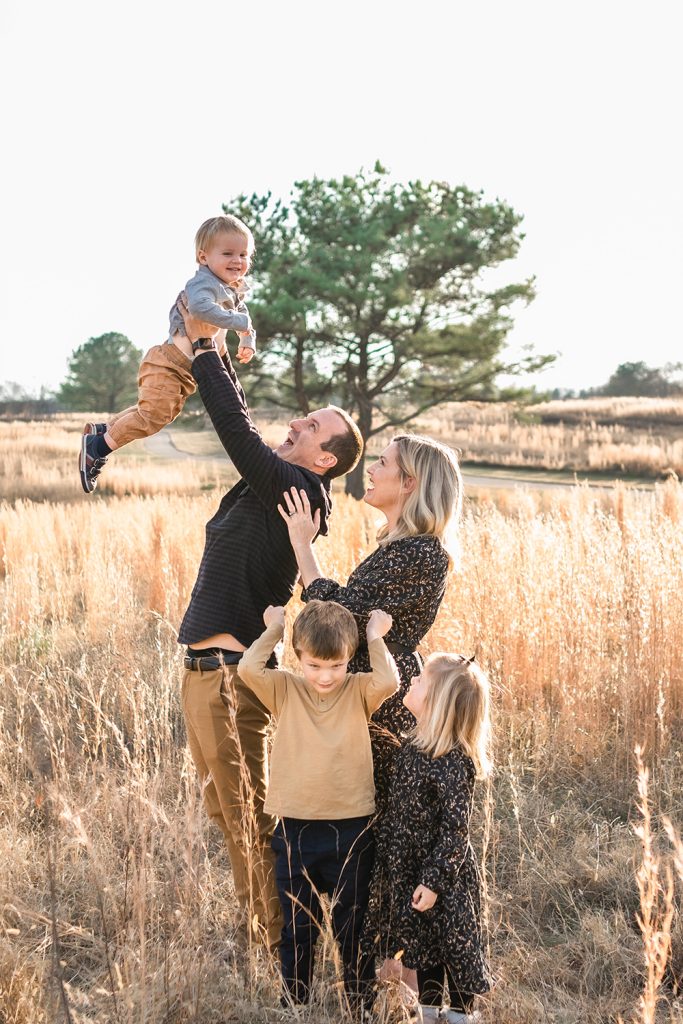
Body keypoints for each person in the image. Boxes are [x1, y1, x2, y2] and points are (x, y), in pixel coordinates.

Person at [168, 303, 364, 952]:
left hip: (229, 682)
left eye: (309, 427)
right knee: (225, 813)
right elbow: (248, 427)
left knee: (248, 818)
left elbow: (234, 429)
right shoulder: (276, 484)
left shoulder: (301, 492)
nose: (295, 424)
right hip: (203, 676)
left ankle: (282, 954)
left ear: (325, 460)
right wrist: (219, 346)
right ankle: (263, 934)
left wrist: (202, 348)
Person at [278, 433, 463, 811]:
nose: (372, 470)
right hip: (367, 682)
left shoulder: (423, 552)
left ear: (409, 483)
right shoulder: (400, 546)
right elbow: (353, 607)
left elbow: (346, 617)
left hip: (384, 694)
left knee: (373, 810)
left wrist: (303, 547)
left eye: (382, 462)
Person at [237, 600, 399, 1008]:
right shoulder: (286, 689)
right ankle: (296, 1003)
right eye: (314, 666)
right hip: (295, 829)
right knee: (297, 927)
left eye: (336, 666)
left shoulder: (360, 689)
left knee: (352, 927)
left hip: (351, 830)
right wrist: (274, 628)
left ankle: (359, 1006)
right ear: (298, 658)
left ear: (349, 659)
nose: (325, 677)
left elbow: (390, 680)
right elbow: (247, 669)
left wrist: (375, 638)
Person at [79, 214, 257, 493]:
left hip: (185, 371)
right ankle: (96, 448)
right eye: (228, 253)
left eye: (244, 254)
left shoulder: (231, 288)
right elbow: (200, 310)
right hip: (169, 363)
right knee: (152, 417)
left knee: (156, 415)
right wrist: (241, 324)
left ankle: (104, 431)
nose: (238, 260)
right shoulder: (203, 284)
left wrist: (247, 337)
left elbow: (241, 313)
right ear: (203, 257)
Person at [362, 653, 493, 1024]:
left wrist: (433, 882)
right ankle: (431, 1011)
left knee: (455, 945)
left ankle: (462, 1014)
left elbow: (455, 833)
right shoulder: (412, 746)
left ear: (436, 703)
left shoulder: (453, 761)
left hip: (444, 878)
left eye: (419, 680)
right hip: (411, 868)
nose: (412, 681)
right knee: (424, 946)